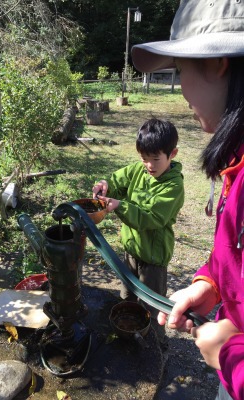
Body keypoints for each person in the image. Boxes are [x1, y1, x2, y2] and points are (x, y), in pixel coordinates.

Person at [131, 1, 244, 399]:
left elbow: (151, 216)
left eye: (181, 70)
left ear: (218, 64)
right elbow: (233, 253)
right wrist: (210, 286)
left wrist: (232, 356)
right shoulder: (236, 162)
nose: (181, 91)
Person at [92, 117, 184, 347]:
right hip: (130, 251)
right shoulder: (139, 171)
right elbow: (117, 179)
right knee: (127, 298)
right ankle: (128, 337)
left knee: (152, 308)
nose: (149, 165)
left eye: (155, 159)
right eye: (144, 159)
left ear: (172, 154)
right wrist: (105, 184)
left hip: (153, 259)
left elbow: (151, 218)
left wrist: (120, 206)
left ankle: (155, 347)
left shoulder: (173, 186)